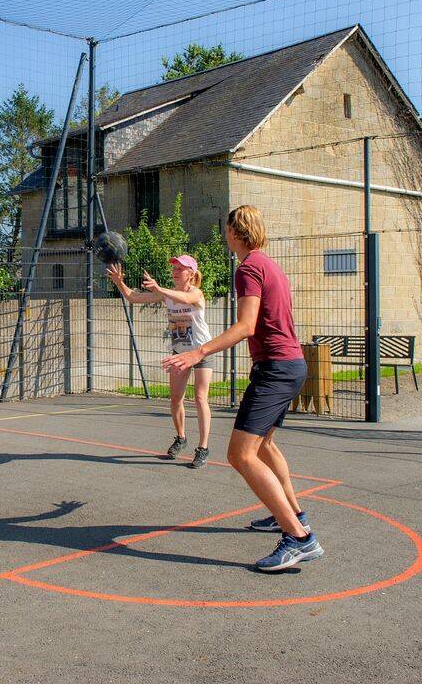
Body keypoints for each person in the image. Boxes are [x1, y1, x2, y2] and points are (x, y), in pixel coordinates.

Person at [162, 206, 322, 571]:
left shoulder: (248, 269)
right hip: (292, 364)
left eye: (227, 229)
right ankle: (293, 515)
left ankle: (299, 538)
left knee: (240, 454)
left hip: (276, 370)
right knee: (264, 445)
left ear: (235, 232)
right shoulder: (270, 264)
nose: (225, 234)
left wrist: (198, 352)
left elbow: (247, 325)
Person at [107, 254, 213, 469]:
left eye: (180, 269)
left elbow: (185, 299)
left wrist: (159, 289)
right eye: (173, 268)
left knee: (200, 398)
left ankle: (203, 448)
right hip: (179, 352)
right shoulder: (167, 295)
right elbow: (133, 298)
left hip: (201, 351)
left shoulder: (196, 293)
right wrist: (119, 282)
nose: (175, 272)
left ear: (191, 274)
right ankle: (181, 437)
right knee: (175, 399)